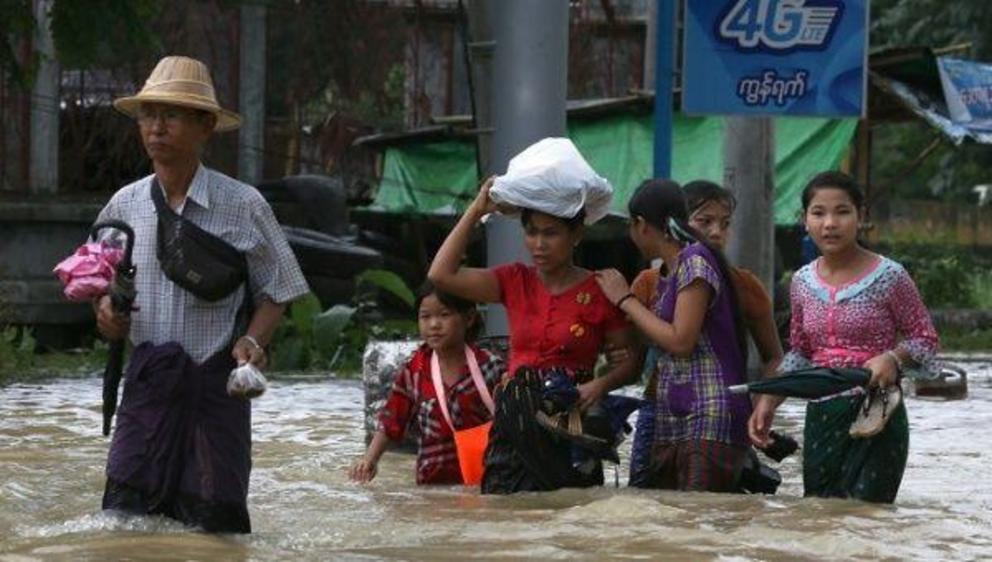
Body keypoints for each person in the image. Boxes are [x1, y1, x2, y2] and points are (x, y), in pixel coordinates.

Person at [94, 56, 309, 532]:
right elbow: (97, 281)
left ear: (205, 126)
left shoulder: (244, 204)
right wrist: (106, 313)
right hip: (149, 383)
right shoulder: (124, 205)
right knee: (123, 521)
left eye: (171, 115)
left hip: (218, 385)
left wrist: (254, 342)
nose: (156, 127)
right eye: (149, 115)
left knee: (217, 526)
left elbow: (281, 287)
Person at [428, 177, 638, 494]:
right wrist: (477, 210)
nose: (539, 244)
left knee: (569, 514)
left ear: (577, 234)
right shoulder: (514, 280)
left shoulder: (601, 290)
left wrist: (600, 384)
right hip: (514, 422)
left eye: (550, 233)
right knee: (504, 516)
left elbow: (631, 362)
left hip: (570, 424)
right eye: (531, 232)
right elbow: (440, 274)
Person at [748, 171, 938, 503]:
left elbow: (925, 339)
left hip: (877, 413)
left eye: (842, 212)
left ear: (861, 217)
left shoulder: (891, 276)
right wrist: (768, 399)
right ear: (805, 220)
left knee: (867, 521)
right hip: (822, 416)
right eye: (818, 213)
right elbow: (801, 353)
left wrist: (892, 358)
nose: (830, 223)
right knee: (821, 518)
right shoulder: (801, 282)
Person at [596, 179, 751, 493]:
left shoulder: (695, 261)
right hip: (678, 413)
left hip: (709, 413)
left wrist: (624, 299)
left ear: (641, 225)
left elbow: (681, 341)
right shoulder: (674, 268)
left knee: (697, 522)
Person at [350, 282, 504, 485]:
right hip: (432, 486)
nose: (434, 325)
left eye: (444, 315)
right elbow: (391, 420)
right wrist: (370, 460)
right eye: (425, 316)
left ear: (469, 318)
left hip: (484, 482)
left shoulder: (491, 367)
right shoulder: (415, 370)